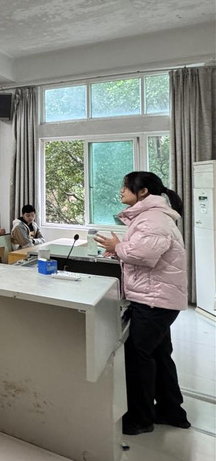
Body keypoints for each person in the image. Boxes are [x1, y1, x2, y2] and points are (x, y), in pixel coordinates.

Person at [94, 171, 189, 436]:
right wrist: (119, 250)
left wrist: (118, 246)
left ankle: (139, 419)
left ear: (143, 191)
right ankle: (172, 411)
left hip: (153, 300)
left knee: (138, 358)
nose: (121, 191)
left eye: (126, 186)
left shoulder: (153, 218)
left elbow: (145, 254)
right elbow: (145, 253)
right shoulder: (152, 216)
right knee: (158, 354)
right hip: (157, 297)